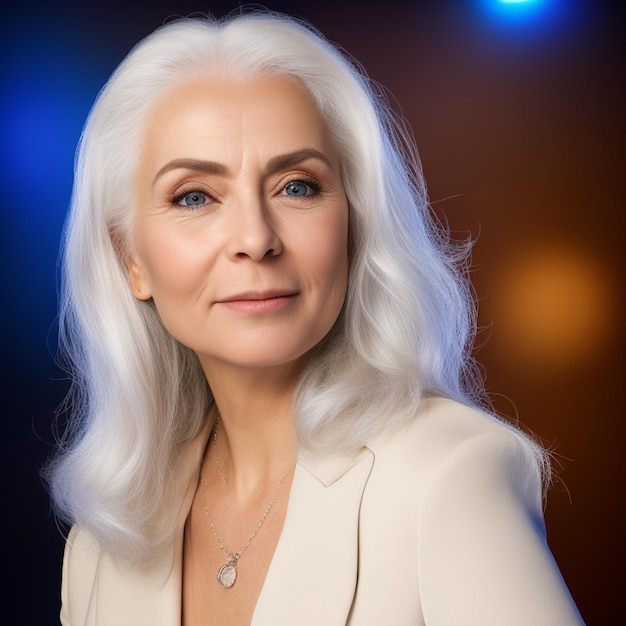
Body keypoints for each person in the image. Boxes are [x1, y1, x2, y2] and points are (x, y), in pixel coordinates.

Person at [44, 10, 584, 626]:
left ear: (355, 223)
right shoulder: (101, 543)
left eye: (297, 186)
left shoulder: (451, 474)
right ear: (130, 260)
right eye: (194, 196)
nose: (255, 237)